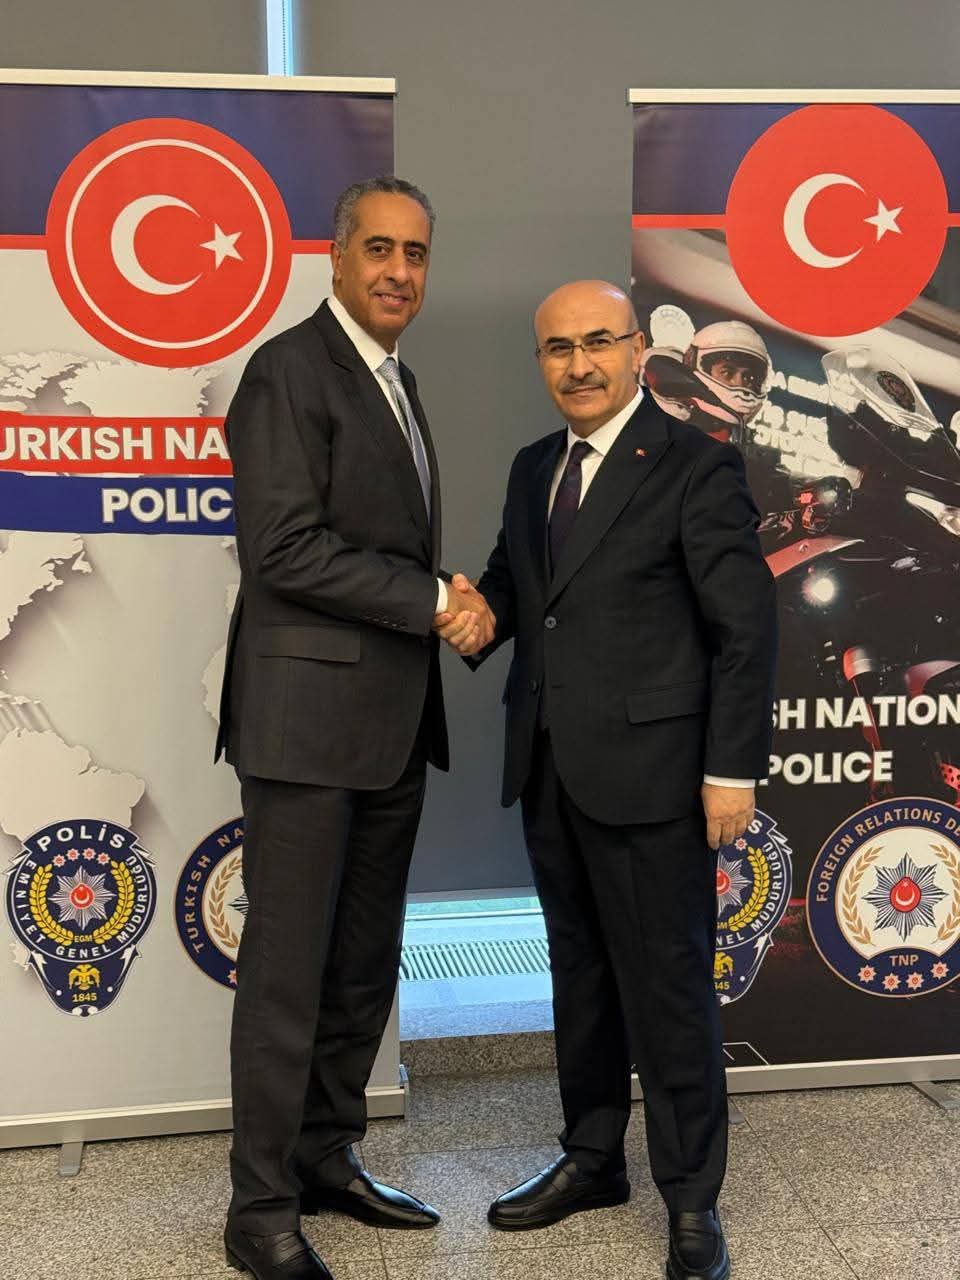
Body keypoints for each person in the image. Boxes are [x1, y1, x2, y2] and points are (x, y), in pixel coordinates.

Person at [437, 280, 777, 1280]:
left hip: (659, 779)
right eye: (558, 348)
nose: (578, 364)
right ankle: (592, 1158)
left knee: (668, 988)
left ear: (637, 351)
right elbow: (520, 584)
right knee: (579, 975)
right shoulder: (533, 466)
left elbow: (745, 629)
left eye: (597, 342)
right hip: (551, 765)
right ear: (540, 361)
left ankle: (691, 1198)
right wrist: (476, 615)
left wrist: (729, 770)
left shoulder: (698, 465)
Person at [215, 176, 487, 1280]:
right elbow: (284, 548)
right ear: (335, 256)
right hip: (304, 730)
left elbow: (373, 543)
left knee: (362, 965)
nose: (399, 271)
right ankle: (259, 1206)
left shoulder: (395, 377)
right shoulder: (288, 369)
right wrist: (431, 598)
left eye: (415, 253)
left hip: (386, 728)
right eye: (379, 249)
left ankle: (327, 1156)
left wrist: (439, 593)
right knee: (288, 975)